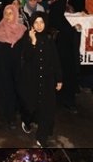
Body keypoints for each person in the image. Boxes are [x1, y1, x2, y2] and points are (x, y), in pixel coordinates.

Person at [16, 14, 61, 146]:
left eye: (41, 22)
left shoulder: (49, 39)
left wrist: (59, 79)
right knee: (31, 107)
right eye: (36, 22)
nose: (39, 25)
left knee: (47, 108)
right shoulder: (27, 38)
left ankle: (42, 137)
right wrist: (33, 41)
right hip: (31, 80)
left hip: (47, 80)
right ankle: (27, 120)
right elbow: (27, 57)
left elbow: (55, 60)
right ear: (32, 24)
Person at [0, 2, 25, 129]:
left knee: (17, 90)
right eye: (6, 13)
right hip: (1, 65)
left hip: (18, 66)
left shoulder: (22, 30)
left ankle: (16, 114)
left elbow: (26, 49)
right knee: (5, 90)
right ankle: (9, 118)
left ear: (15, 14)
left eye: (11, 13)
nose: (8, 16)